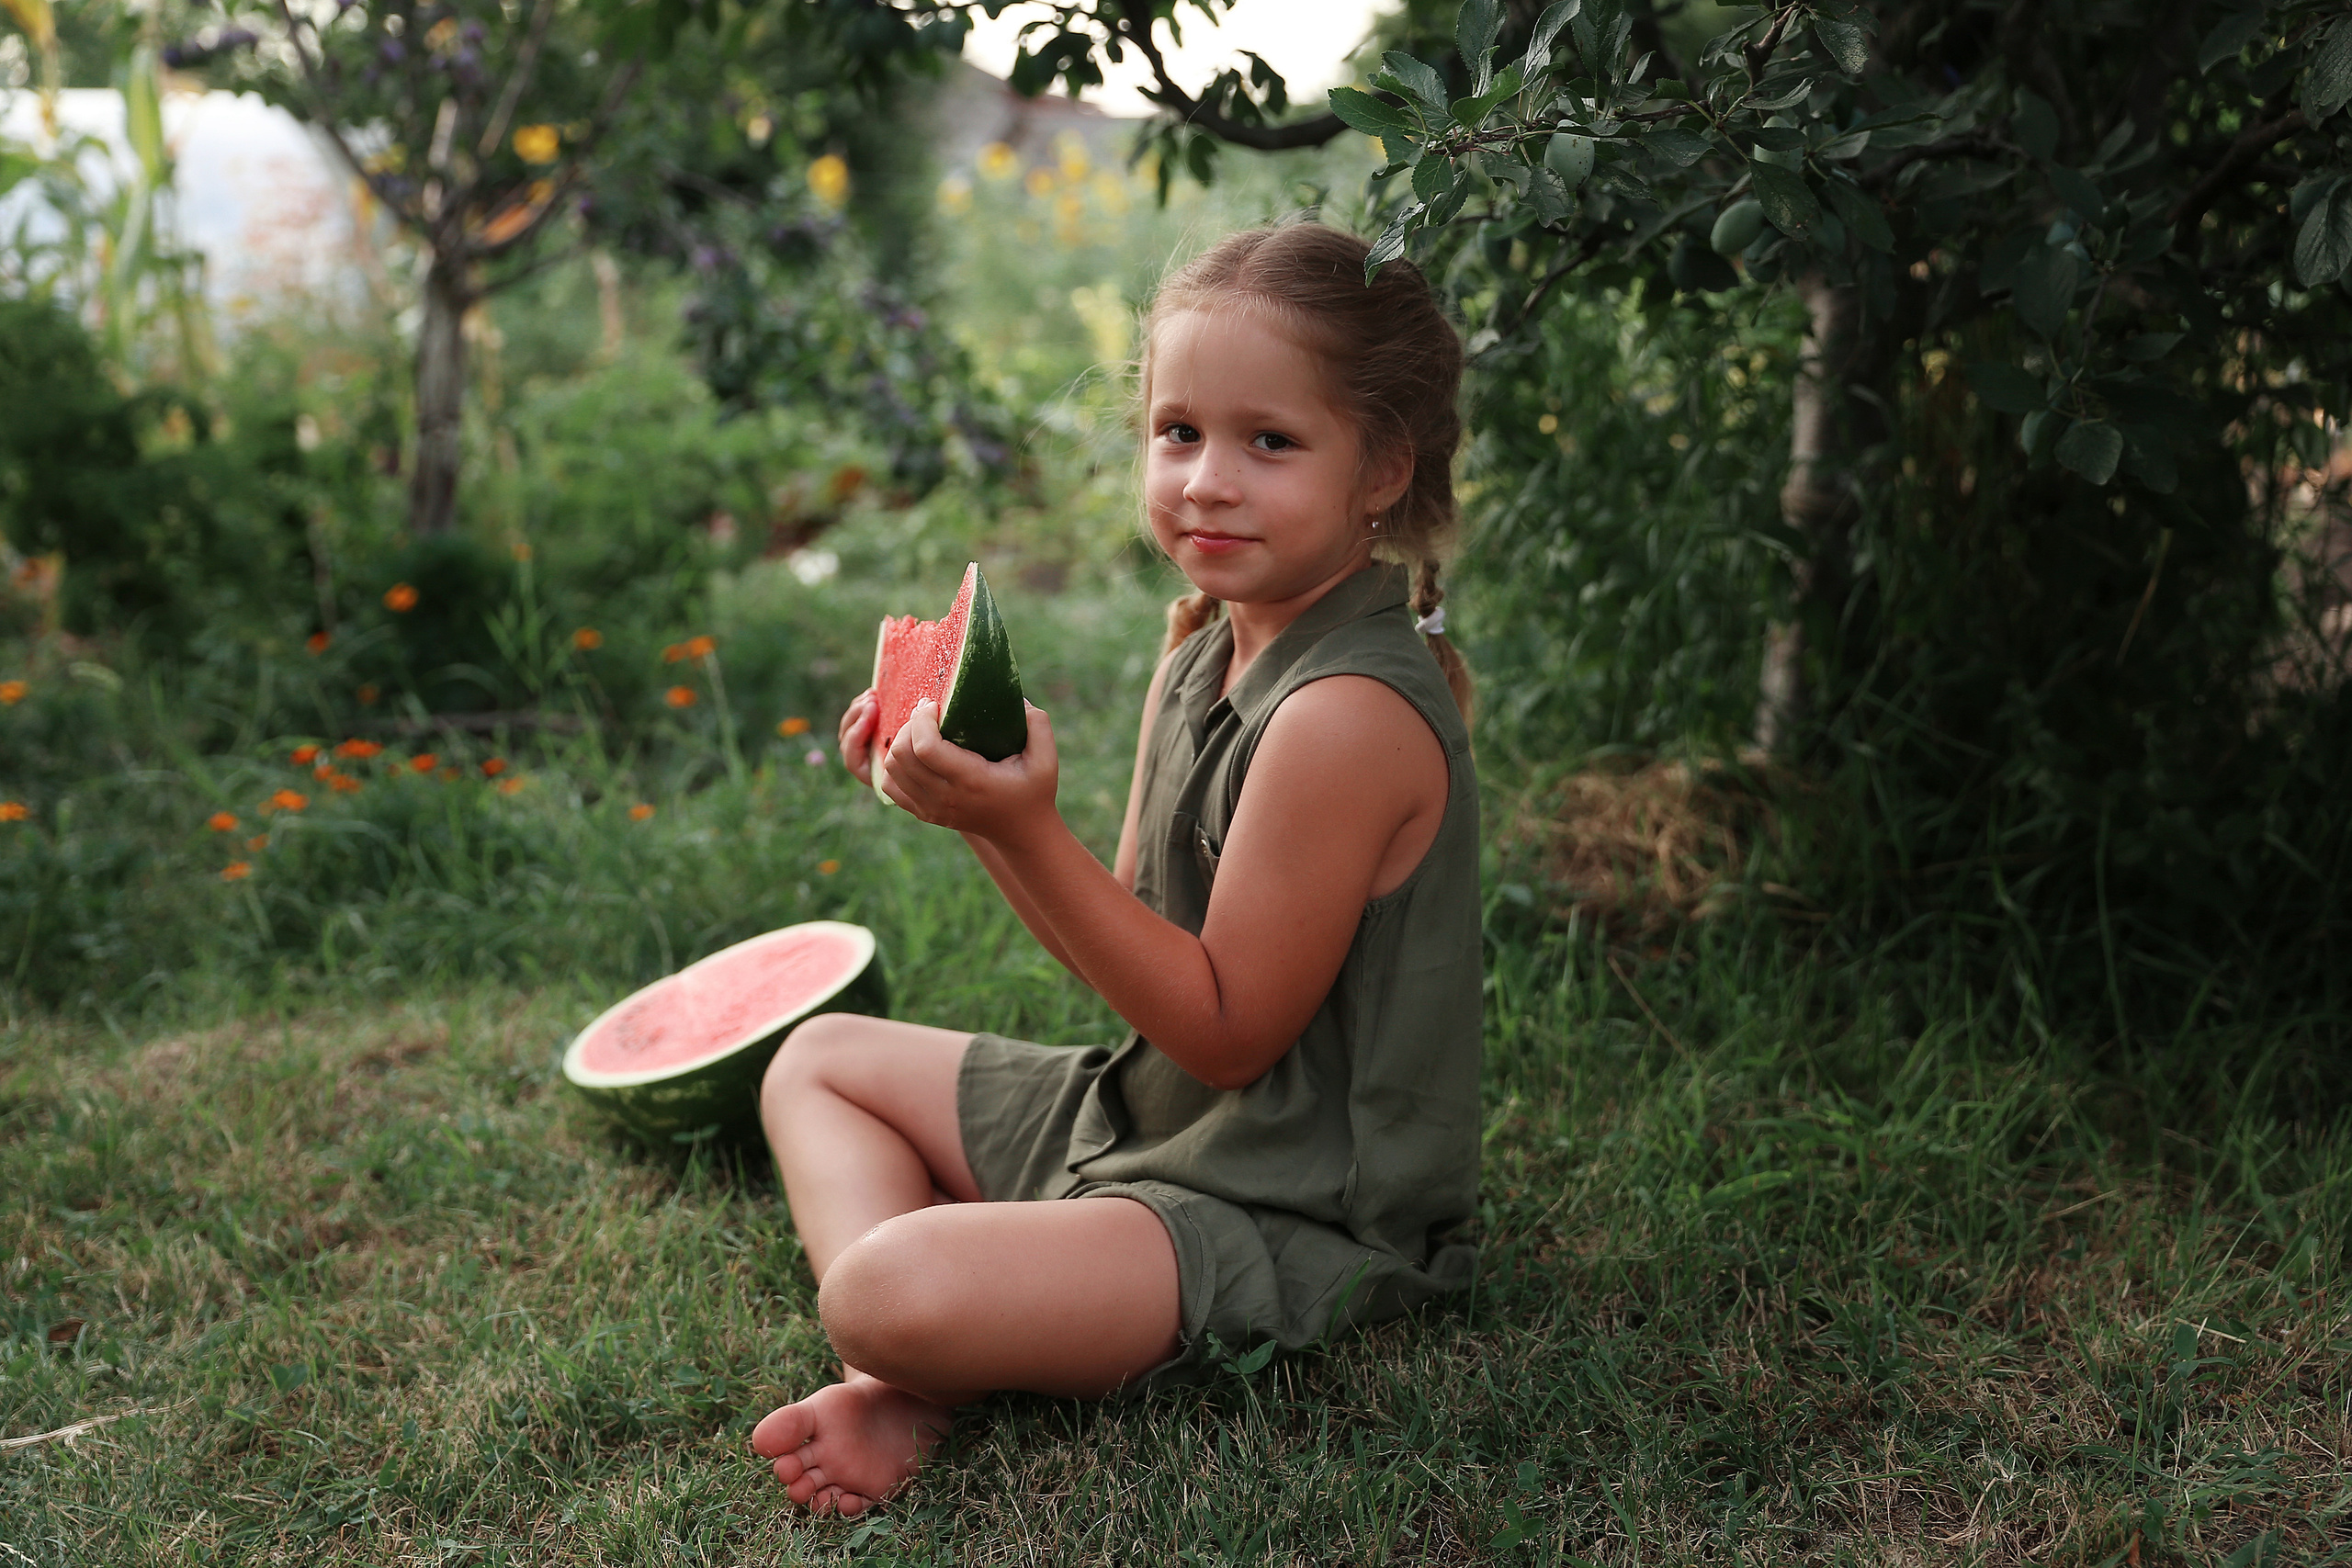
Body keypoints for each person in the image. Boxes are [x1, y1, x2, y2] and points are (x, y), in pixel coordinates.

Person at [750, 221, 1483, 1517]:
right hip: (1148, 1123)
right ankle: (927, 1365)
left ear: (1382, 471)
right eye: (1177, 432)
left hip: (1285, 1208)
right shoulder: (1203, 645)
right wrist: (980, 813)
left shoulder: (1344, 718)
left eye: (1270, 441)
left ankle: (905, 1369)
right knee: (813, 1059)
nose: (1206, 480)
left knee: (877, 1287)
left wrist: (1024, 829)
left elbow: (1225, 1031)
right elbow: (1141, 943)